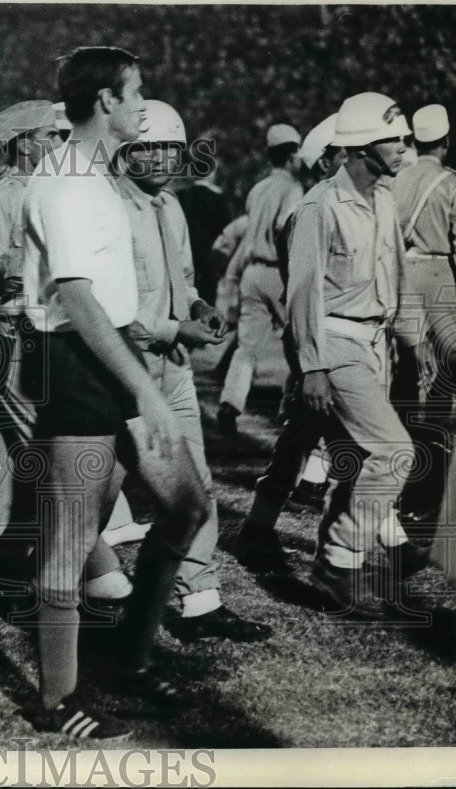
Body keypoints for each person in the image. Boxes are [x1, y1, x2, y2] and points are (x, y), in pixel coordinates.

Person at [20, 46, 212, 739]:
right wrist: (144, 388)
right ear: (104, 101)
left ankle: (129, 659)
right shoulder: (65, 179)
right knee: (70, 539)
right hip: (74, 359)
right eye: (135, 94)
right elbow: (74, 297)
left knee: (187, 503)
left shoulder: (98, 174)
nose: (142, 105)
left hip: (117, 351)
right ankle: (58, 700)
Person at [115, 100, 271, 641]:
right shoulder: (109, 208)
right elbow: (107, 307)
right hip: (122, 371)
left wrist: (199, 308)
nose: (159, 158)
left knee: (196, 488)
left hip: (172, 369)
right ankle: (73, 587)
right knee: (89, 497)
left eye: (168, 147)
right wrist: (173, 329)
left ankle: (199, 601)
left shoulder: (171, 208)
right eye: (147, 146)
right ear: (125, 150)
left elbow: (183, 280)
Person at [0, 99, 131, 600]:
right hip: (14, 333)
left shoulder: (56, 189)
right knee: (28, 450)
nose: (58, 144)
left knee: (35, 452)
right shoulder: (2, 198)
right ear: (22, 145)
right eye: (47, 136)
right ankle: (40, 563)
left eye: (60, 136)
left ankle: (9, 554)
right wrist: (15, 270)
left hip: (46, 336)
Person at [287, 92, 425, 619]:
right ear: (363, 145)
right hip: (334, 341)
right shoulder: (319, 205)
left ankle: (332, 567)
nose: (404, 148)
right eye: (395, 138)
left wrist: (410, 344)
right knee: (394, 452)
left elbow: (398, 280)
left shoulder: (385, 200)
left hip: (376, 343)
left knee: (357, 461)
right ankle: (340, 562)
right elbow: (303, 292)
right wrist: (312, 365)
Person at [233, 113, 346, 571]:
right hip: (321, 337)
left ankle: (259, 529)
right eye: (344, 154)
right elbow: (304, 284)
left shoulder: (338, 204)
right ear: (323, 162)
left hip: (333, 337)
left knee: (301, 439)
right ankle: (361, 548)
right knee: (337, 441)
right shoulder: (311, 206)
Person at [391, 104, 456, 536]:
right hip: (439, 278)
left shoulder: (397, 179)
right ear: (447, 140)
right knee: (445, 386)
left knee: (405, 380)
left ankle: (399, 491)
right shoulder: (452, 184)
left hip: (401, 276)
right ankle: (425, 494)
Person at [216, 123, 303, 435]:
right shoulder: (293, 189)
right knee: (299, 342)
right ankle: (291, 408)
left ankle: (231, 402)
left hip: (251, 272)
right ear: (293, 154)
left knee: (247, 346)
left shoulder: (257, 189)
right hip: (278, 271)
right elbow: (284, 229)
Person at [177, 134, 233, 305]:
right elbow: (226, 230)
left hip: (186, 254)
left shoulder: (182, 195)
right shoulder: (218, 199)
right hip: (210, 256)